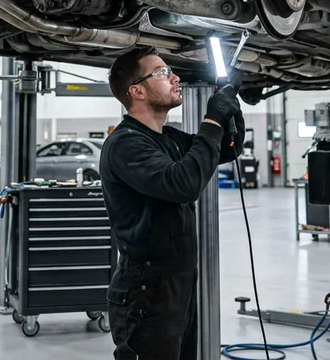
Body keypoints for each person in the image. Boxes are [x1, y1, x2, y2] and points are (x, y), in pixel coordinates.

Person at [99, 46, 244, 359]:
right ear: (136, 91)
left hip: (179, 288)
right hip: (145, 294)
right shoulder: (125, 144)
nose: (175, 77)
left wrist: (231, 107)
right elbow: (184, 184)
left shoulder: (170, 137)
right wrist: (213, 118)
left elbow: (226, 148)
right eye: (163, 73)